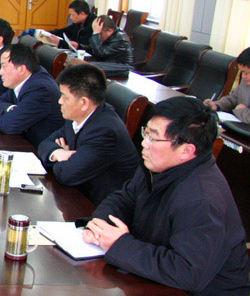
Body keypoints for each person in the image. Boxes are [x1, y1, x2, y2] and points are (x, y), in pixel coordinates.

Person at [83, 96, 250, 294]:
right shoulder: (156, 166)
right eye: (146, 133)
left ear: (186, 151)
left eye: (153, 138)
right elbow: (124, 198)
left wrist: (120, 244)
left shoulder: (202, 199)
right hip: (156, 279)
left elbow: (187, 272)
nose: (144, 143)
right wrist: (99, 225)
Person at [36, 64, 137, 204]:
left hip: (98, 206)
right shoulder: (77, 117)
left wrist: (63, 159)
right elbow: (44, 144)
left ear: (84, 103)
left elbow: (66, 175)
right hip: (76, 194)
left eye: (65, 97)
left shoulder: (106, 132)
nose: (59, 101)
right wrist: (58, 153)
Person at [0, 43, 64, 147]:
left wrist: (11, 114)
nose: (0, 72)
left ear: (21, 69)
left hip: (38, 150)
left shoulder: (41, 90)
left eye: (4, 67)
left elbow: (8, 125)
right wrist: (10, 109)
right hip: (22, 141)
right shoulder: (24, 79)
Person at [68, 15, 133, 78]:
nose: (98, 36)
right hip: (107, 64)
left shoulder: (120, 38)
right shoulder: (109, 35)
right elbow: (94, 49)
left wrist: (96, 34)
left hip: (122, 68)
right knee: (78, 64)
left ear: (110, 31)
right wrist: (79, 46)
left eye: (100, 34)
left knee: (87, 68)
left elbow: (100, 54)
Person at [205, 46, 250, 123]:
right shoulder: (246, 80)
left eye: (246, 73)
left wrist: (242, 111)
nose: (243, 76)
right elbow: (233, 98)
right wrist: (217, 105)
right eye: (242, 72)